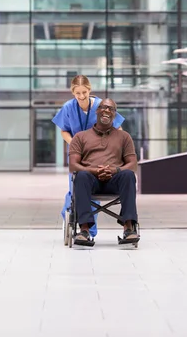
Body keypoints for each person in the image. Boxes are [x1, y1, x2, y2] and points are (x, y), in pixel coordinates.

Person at [52, 75, 125, 238]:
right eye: (77, 93)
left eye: (84, 92)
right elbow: (64, 130)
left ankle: (88, 229)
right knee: (75, 189)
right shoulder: (68, 107)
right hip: (77, 155)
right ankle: (70, 214)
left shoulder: (102, 106)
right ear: (73, 92)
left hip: (99, 155)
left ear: (89, 90)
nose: (81, 96)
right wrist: (75, 144)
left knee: (92, 190)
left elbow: (118, 129)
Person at [68, 98, 140, 247]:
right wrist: (94, 171)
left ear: (115, 114)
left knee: (128, 174)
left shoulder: (124, 137)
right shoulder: (80, 137)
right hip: (90, 181)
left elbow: (132, 164)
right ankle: (85, 231)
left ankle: (128, 228)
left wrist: (115, 170)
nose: (107, 110)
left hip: (115, 180)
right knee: (80, 175)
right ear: (97, 111)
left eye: (111, 109)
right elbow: (73, 165)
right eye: (103, 107)